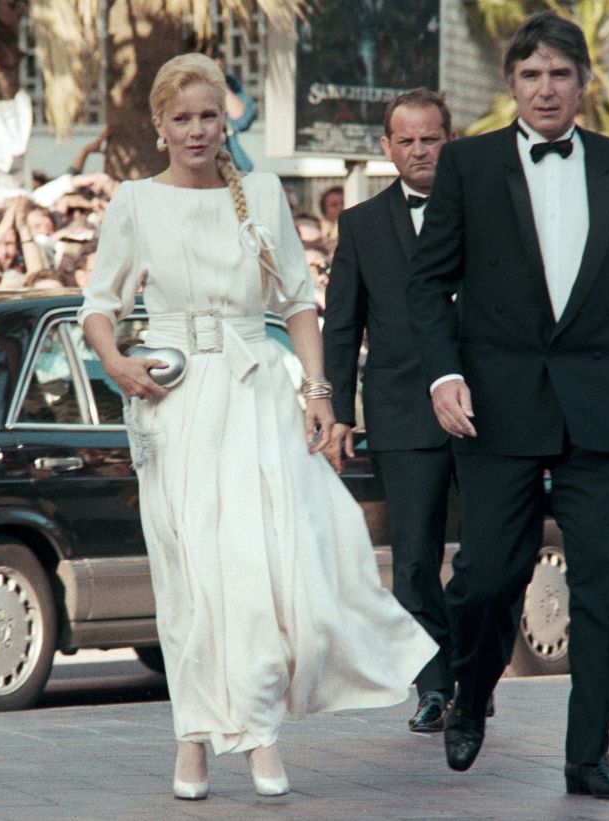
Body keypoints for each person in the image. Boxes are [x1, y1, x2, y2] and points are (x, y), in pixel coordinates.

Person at [78, 53, 436, 802]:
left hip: (256, 396)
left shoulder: (264, 192)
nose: (198, 130)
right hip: (173, 404)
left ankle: (261, 731)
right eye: (183, 118)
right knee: (193, 580)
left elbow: (300, 303)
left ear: (225, 121)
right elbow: (99, 307)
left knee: (272, 569)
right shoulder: (136, 202)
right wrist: (117, 363)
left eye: (210, 115)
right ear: (160, 127)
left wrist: (318, 393)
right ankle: (195, 736)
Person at [405, 11, 609, 798]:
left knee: (602, 582)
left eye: (560, 74)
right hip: (494, 405)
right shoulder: (468, 165)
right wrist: (442, 375)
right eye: (531, 75)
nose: (546, 88)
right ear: (511, 84)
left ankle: (588, 752)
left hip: (596, 404)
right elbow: (428, 282)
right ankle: (471, 688)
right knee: (486, 575)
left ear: (582, 83)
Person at [323, 88, 458, 734]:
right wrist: (339, 409)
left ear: (448, 140)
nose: (417, 150)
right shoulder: (363, 224)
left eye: (428, 138)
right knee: (412, 557)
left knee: (492, 553)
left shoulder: (485, 212)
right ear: (386, 148)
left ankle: (472, 668)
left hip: (488, 409)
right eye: (405, 140)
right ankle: (434, 683)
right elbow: (342, 324)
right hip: (401, 409)